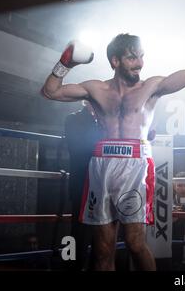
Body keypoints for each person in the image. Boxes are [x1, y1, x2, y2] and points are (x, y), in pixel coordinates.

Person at [40, 10, 185, 271]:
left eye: (141, 56)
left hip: (135, 166)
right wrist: (66, 62)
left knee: (135, 242)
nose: (139, 63)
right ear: (115, 60)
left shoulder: (150, 87)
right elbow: (50, 91)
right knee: (103, 249)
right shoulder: (96, 88)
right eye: (132, 57)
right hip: (101, 166)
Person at [64, 100, 102, 270]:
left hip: (102, 183)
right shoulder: (73, 118)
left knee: (101, 234)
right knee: (77, 230)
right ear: (86, 101)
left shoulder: (105, 120)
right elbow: (77, 148)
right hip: (81, 181)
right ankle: (72, 268)